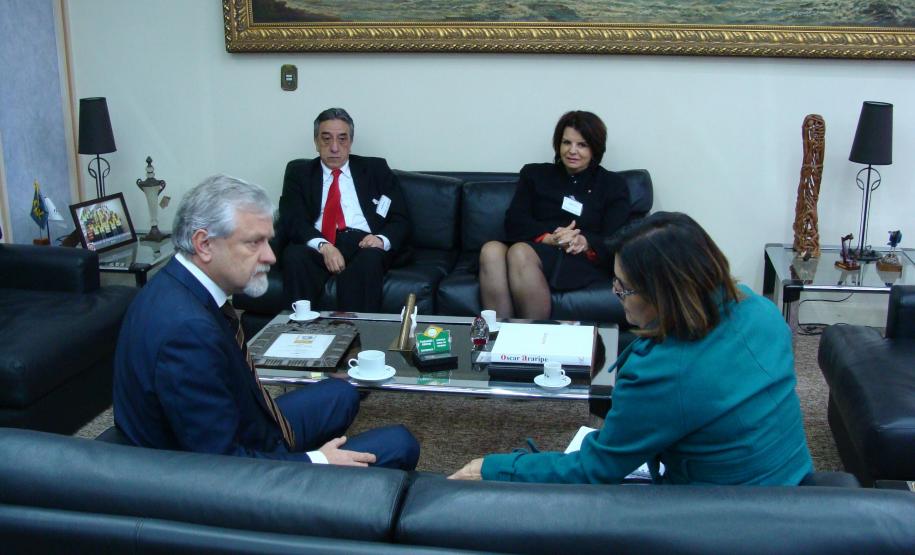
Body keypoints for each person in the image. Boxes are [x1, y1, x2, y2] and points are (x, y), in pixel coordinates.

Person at [451, 212, 813, 485]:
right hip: (794, 482)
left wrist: (494, 467)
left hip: (728, 517)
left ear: (663, 295)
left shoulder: (663, 372)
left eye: (623, 288)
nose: (614, 293)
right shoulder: (762, 311)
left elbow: (595, 468)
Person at [113, 174, 419, 469]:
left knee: (342, 391)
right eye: (254, 243)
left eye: (268, 242)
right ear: (204, 244)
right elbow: (222, 466)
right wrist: (318, 461)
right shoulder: (187, 334)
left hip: (247, 421)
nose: (271, 257)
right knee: (399, 443)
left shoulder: (173, 285)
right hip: (227, 471)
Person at [478, 110, 630, 319]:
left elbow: (617, 236)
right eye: (567, 143)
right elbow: (515, 221)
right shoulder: (535, 174)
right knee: (491, 250)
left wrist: (583, 241)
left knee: (520, 251)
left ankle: (533, 342)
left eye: (582, 145)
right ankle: (497, 338)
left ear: (595, 148)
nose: (572, 151)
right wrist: (550, 238)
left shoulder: (612, 185)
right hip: (540, 243)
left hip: (578, 257)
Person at [279, 107, 410, 312]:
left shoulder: (375, 169)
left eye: (342, 139)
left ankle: (358, 335)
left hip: (363, 242)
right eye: (326, 139)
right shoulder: (300, 173)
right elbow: (293, 219)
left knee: (370, 259)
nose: (334, 147)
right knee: (294, 255)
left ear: (350, 142)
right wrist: (324, 245)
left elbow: (400, 218)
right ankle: (301, 334)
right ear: (316, 142)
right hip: (320, 242)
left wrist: (380, 239)